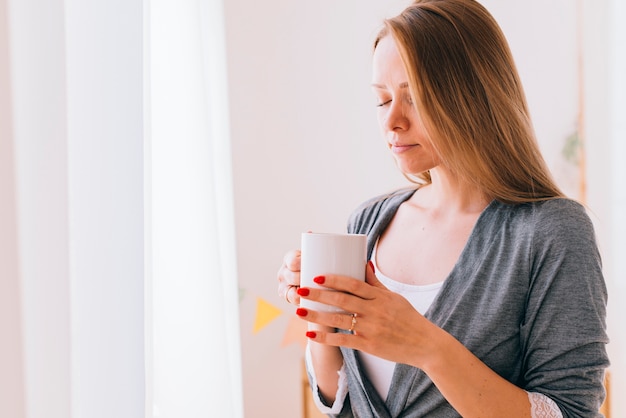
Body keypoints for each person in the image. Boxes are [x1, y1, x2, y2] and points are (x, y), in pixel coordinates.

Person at [277, 0, 609, 416]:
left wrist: (425, 346)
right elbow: (339, 402)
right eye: (382, 100)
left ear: (473, 95)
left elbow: (573, 411)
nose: (392, 121)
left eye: (413, 97)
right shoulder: (368, 222)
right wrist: (319, 317)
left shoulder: (551, 232)